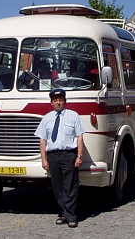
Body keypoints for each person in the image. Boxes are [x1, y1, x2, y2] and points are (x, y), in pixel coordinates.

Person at [34, 89, 87, 228]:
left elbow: (80, 137)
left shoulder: (73, 116)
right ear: (51, 102)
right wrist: (44, 160)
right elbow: (42, 141)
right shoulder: (46, 118)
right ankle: (63, 213)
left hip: (69, 155)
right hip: (53, 156)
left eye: (61, 100)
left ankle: (71, 216)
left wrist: (79, 156)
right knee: (57, 187)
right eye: (55, 100)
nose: (58, 102)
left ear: (65, 101)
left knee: (70, 186)